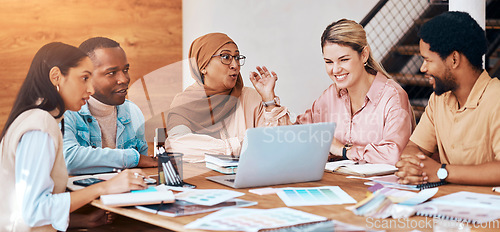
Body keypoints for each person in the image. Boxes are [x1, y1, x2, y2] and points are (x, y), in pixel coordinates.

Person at [0, 42, 147, 231]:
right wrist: (104, 187)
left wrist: (82, 222)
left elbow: (21, 211)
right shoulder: (41, 123)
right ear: (56, 77)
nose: (91, 89)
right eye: (84, 78)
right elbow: (34, 211)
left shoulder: (33, 117)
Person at [251, 19, 414, 165]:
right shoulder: (331, 96)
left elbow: (395, 154)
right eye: (329, 62)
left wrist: (343, 150)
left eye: (344, 60)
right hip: (340, 185)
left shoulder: (392, 96)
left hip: (381, 190)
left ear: (364, 55)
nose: (335, 69)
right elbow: (296, 134)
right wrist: (269, 99)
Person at [395, 11, 500, 185]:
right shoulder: (438, 100)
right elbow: (414, 147)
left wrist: (442, 172)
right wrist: (413, 166)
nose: (422, 68)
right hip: (447, 202)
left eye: (428, 60)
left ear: (454, 59)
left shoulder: (496, 98)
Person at [165, 33, 287, 159]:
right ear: (202, 66)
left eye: (237, 57)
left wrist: (269, 100)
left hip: (250, 176)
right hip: (199, 177)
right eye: (226, 57)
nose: (235, 65)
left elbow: (280, 143)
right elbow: (177, 145)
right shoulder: (184, 103)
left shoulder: (250, 97)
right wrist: (239, 146)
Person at [63, 37, 157, 175]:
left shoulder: (133, 112)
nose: (124, 79)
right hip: (84, 195)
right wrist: (134, 159)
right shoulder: (66, 112)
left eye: (125, 70)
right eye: (111, 73)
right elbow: (69, 160)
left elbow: (143, 170)